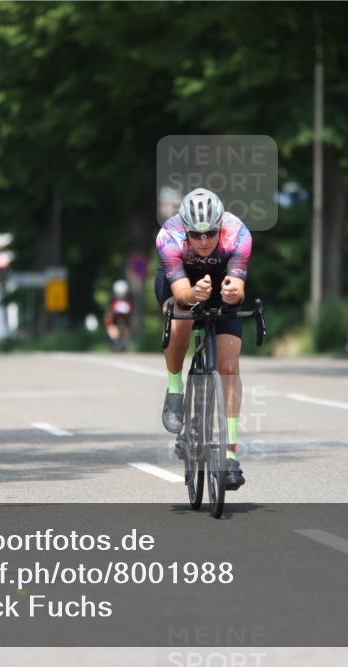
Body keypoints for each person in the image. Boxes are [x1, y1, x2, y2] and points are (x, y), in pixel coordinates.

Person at [156, 188, 252, 490]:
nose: (203, 241)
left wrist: (233, 292)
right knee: (180, 316)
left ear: (220, 226)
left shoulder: (238, 234)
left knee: (228, 365)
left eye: (210, 233)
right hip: (182, 283)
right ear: (184, 228)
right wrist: (193, 294)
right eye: (195, 236)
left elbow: (238, 285)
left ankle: (231, 452)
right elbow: (182, 292)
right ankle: (175, 389)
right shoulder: (168, 236)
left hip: (221, 284)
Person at [104, 279, 133, 351]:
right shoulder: (112, 302)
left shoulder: (128, 301)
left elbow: (130, 313)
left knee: (127, 329)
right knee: (111, 326)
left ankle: (125, 342)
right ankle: (114, 340)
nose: (121, 294)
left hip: (125, 322)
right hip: (114, 321)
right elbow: (109, 314)